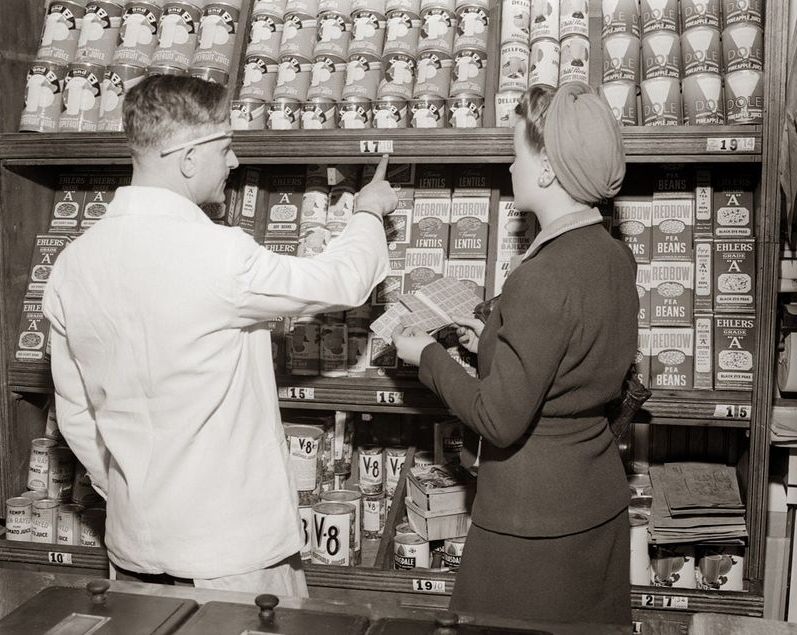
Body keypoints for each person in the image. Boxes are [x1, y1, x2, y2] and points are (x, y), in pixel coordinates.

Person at [42, 74, 397, 594]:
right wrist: (367, 212)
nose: (233, 162)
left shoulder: (73, 264)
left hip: (133, 547)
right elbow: (340, 280)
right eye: (226, 147)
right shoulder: (219, 255)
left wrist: (128, 491)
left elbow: (75, 414)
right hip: (233, 560)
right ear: (188, 157)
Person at [392, 83, 638, 626]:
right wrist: (491, 347)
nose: (509, 167)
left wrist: (428, 356)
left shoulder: (541, 276)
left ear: (547, 168)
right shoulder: (615, 257)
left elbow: (498, 421)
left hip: (532, 523)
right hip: (596, 505)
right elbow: (570, 371)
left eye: (516, 154)